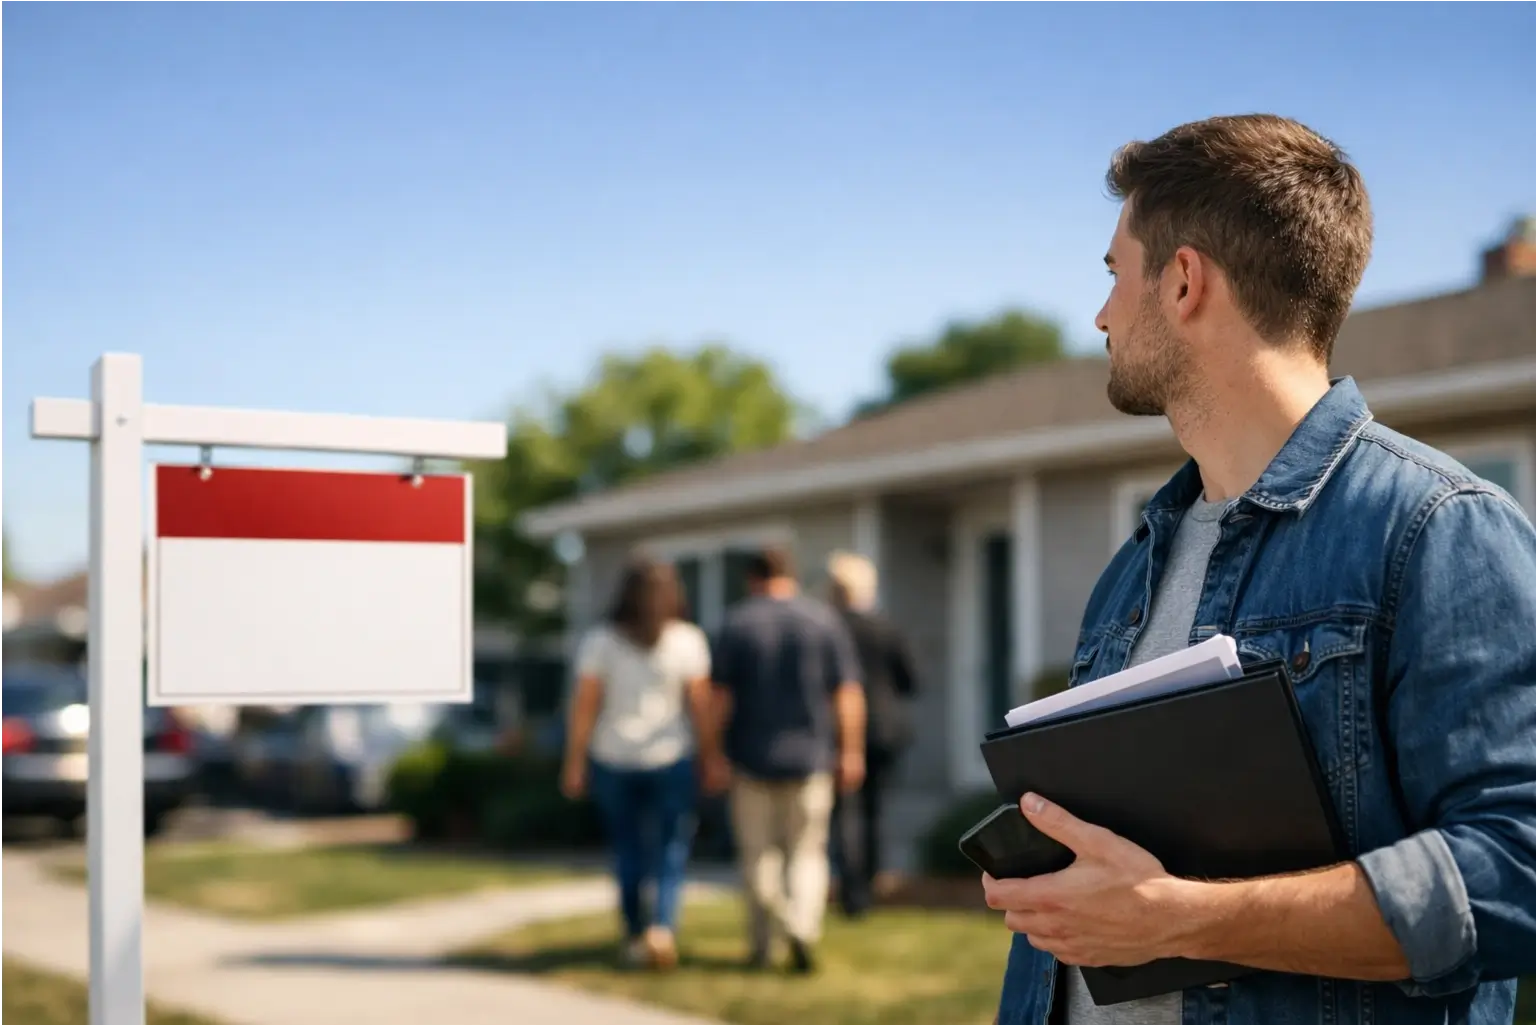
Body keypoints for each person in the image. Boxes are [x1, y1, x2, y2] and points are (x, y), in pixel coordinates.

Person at [984, 113, 1536, 1025]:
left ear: (1184, 281)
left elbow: (1518, 866)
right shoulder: (1132, 569)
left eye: (1116, 274)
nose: (1102, 315)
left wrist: (1186, 919)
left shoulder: (1438, 528)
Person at [698, 544, 865, 973]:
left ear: (752, 578)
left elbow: (718, 699)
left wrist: (711, 753)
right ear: (791, 575)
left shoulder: (736, 624)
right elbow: (847, 695)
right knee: (807, 852)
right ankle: (802, 925)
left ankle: (765, 942)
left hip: (750, 759)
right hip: (811, 758)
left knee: (758, 856)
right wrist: (851, 751)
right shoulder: (823, 621)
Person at [560, 554, 714, 970]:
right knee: (670, 849)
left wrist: (574, 761)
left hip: (614, 757)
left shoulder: (601, 641)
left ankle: (633, 933)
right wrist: (712, 756)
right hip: (671, 756)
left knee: (627, 849)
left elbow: (585, 707)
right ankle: (661, 927)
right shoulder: (687, 640)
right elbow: (701, 707)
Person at [824, 549, 919, 917]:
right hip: (884, 729)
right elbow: (910, 681)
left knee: (845, 812)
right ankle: (870, 883)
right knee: (875, 810)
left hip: (839, 730)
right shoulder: (886, 628)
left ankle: (852, 891)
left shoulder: (830, 629)